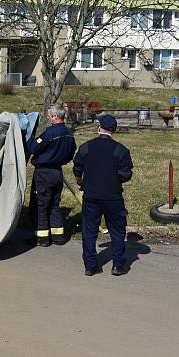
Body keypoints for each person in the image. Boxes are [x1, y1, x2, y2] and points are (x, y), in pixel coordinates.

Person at [72, 115, 133, 276]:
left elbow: (77, 168)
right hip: (113, 195)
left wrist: (80, 181)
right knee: (117, 230)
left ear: (99, 129)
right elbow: (126, 174)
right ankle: (118, 265)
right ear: (114, 130)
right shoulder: (120, 150)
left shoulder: (86, 147)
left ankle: (91, 266)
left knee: (89, 230)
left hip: (90, 195)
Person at [26, 104, 76, 246]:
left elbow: (33, 147)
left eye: (49, 115)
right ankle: (58, 237)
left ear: (55, 116)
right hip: (57, 172)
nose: (48, 118)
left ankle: (41, 238)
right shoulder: (69, 133)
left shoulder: (49, 133)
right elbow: (71, 153)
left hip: (43, 173)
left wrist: (29, 137)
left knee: (40, 205)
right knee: (55, 203)